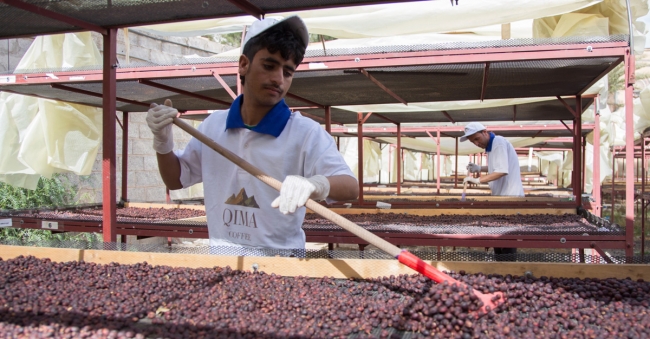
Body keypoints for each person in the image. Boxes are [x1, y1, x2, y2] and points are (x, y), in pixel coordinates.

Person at [145, 16, 359, 252]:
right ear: (244, 65)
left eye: (287, 72)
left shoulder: (304, 133)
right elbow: (176, 179)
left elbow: (350, 187)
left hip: (282, 265)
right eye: (269, 66)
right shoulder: (213, 126)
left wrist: (316, 184)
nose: (278, 79)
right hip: (222, 260)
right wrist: (162, 142)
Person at [461, 122, 523, 261]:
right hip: (502, 198)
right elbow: (497, 167)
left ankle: (507, 270)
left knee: (507, 239)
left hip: (510, 198)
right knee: (499, 237)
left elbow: (502, 170)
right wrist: (480, 168)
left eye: (477, 139)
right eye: (473, 142)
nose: (476, 143)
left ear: (485, 132)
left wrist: (478, 180)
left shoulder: (498, 142)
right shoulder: (492, 147)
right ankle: (500, 267)